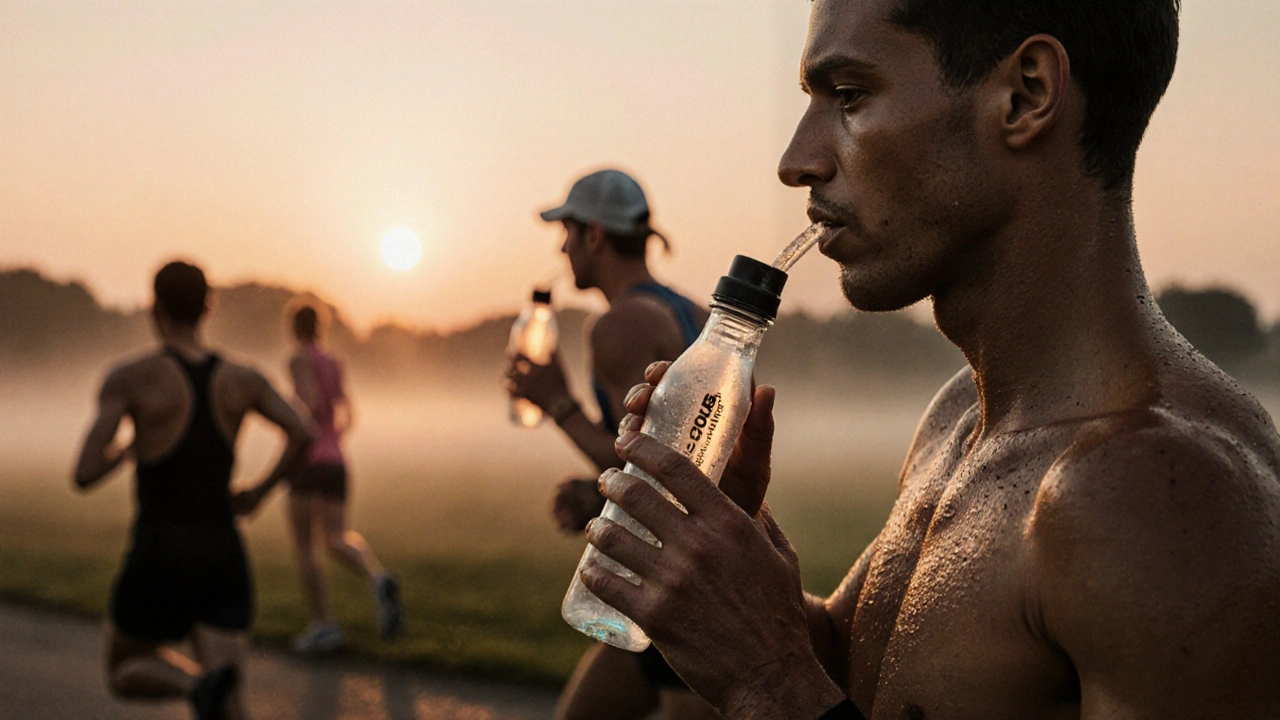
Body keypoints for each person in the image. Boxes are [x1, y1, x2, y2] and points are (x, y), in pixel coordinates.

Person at [578, 1, 1280, 718]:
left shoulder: (1161, 499)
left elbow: (795, 687)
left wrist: (767, 679)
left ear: (1026, 94)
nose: (798, 162)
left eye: (848, 96)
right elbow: (879, 683)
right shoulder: (962, 413)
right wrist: (740, 570)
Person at [505, 168, 717, 720]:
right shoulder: (692, 311)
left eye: (568, 231)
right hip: (681, 570)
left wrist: (556, 402)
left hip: (685, 587)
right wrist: (599, 494)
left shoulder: (618, 325)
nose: (562, 245)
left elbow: (654, 466)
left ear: (594, 236)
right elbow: (688, 456)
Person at [73, 260, 314, 720]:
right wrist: (258, 493)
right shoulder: (244, 378)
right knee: (231, 706)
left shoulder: (130, 378)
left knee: (124, 666)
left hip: (159, 549)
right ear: (208, 308)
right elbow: (302, 431)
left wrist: (125, 450)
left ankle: (194, 683)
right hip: (222, 549)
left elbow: (84, 472)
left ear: (154, 308)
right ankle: (208, 687)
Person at [283, 300, 405, 653]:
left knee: (306, 545)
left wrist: (292, 416)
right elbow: (346, 413)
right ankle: (378, 579)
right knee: (335, 538)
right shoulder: (333, 362)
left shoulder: (297, 359)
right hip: (336, 460)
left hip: (308, 461)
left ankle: (323, 625)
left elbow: (310, 404)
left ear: (294, 328)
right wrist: (332, 439)